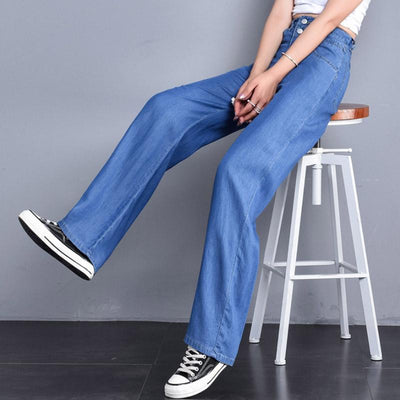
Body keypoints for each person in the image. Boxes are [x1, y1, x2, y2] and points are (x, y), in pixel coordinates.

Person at [18, 0, 371, 398]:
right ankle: (83, 239)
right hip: (282, 52)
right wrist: (257, 77)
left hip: (324, 60)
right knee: (167, 110)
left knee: (238, 171)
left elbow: (330, 17)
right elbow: (279, 13)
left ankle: (211, 344)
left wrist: (273, 76)